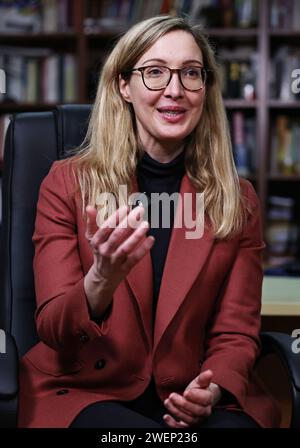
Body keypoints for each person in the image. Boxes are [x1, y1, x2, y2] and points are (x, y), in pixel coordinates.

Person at [18, 15, 280, 428]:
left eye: (190, 73)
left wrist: (211, 390)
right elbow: (54, 329)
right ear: (124, 85)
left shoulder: (237, 198)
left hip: (188, 391)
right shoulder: (67, 184)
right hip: (88, 390)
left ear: (205, 87)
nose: (174, 90)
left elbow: (235, 332)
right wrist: (100, 279)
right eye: (154, 72)